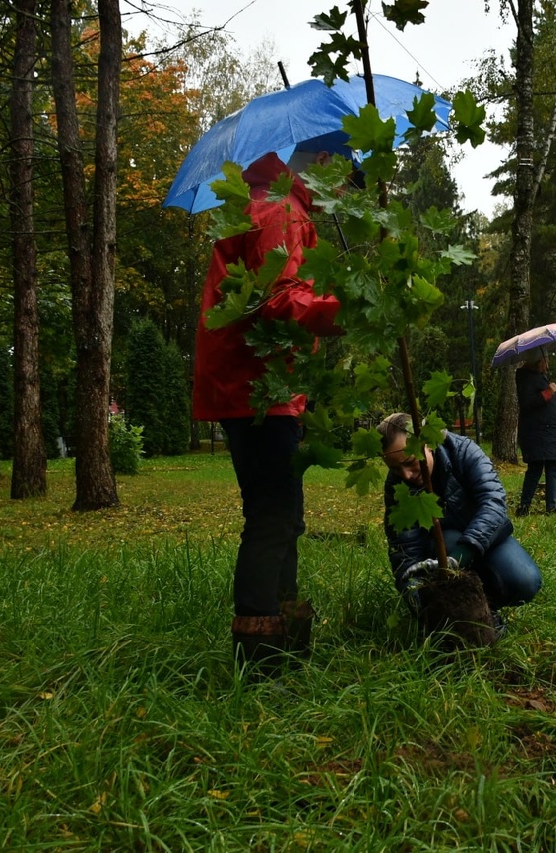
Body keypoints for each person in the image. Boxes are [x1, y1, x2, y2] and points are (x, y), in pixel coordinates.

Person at [192, 151, 341, 674]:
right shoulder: (281, 210)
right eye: (342, 173)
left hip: (261, 384)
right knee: (272, 517)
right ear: (320, 161)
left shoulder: (277, 204)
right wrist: (343, 310)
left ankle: (284, 637)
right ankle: (260, 655)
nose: (342, 189)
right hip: (258, 386)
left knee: (283, 515)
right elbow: (281, 299)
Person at [377, 413, 543, 634]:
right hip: (438, 552)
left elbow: (493, 504)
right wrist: (421, 604)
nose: (405, 475)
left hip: (487, 540)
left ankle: (487, 605)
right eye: (395, 469)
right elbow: (405, 551)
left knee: (524, 580)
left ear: (427, 443)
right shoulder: (397, 487)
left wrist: (460, 556)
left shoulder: (463, 451)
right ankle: (473, 614)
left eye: (409, 463)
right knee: (448, 539)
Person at [515, 348, 556, 515]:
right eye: (546, 359)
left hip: (550, 432)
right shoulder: (525, 377)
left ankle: (551, 508)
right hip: (537, 432)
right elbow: (528, 402)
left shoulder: (540, 377)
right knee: (535, 469)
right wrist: (549, 392)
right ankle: (524, 506)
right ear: (539, 361)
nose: (548, 363)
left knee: (553, 467)